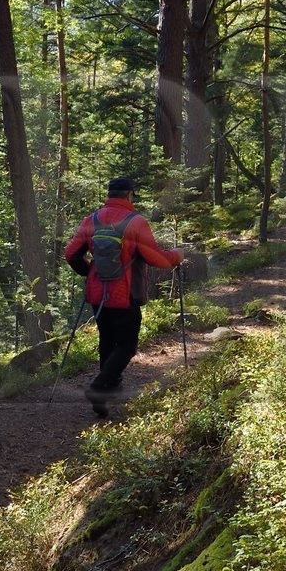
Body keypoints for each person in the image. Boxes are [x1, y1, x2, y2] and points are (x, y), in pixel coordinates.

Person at [63, 177, 184, 415]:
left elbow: (71, 254)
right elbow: (156, 258)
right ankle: (99, 387)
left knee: (107, 340)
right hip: (125, 294)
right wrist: (176, 255)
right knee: (127, 345)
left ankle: (105, 393)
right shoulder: (135, 222)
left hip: (98, 294)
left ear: (109, 194)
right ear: (130, 195)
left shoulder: (92, 220)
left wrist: (90, 273)